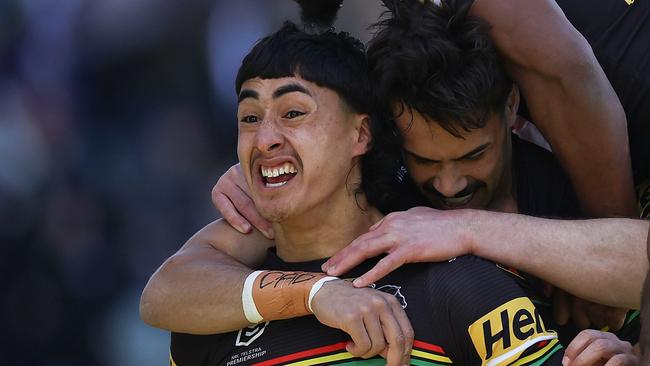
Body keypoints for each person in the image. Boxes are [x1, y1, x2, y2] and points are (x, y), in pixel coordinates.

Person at [164, 19, 576, 366]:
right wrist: (315, 291)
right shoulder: (207, 320)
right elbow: (162, 290)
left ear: (361, 134)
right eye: (249, 118)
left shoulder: (462, 285)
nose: (266, 138)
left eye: (293, 113)